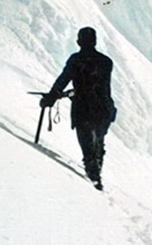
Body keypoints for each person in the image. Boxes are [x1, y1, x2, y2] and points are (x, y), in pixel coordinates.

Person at [41, 27, 116, 190]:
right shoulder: (106, 61)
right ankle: (96, 176)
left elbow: (64, 79)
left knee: (88, 145)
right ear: (95, 41)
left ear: (79, 42)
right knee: (98, 143)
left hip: (84, 107)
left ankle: (94, 179)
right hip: (104, 108)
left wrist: (52, 97)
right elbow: (98, 85)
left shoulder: (76, 60)